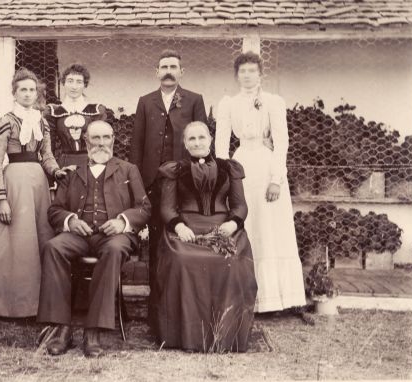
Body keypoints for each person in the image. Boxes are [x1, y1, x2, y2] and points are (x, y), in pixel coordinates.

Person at [37, 120, 151, 357]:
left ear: (113, 140)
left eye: (106, 138)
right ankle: (62, 329)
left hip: (114, 237)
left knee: (113, 250)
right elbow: (54, 210)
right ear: (86, 141)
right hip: (80, 235)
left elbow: (144, 208)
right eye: (96, 138)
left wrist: (122, 221)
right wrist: (71, 220)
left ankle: (93, 330)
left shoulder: (128, 169)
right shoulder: (72, 170)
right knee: (53, 247)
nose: (101, 143)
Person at [215, 52, 306, 313]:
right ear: (236, 75)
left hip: (266, 167)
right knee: (247, 221)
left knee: (269, 226)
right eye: (242, 71)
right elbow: (221, 143)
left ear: (260, 74)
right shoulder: (228, 104)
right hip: (241, 164)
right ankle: (244, 297)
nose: (247, 75)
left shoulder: (273, 102)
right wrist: (223, 174)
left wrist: (277, 179)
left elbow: (282, 141)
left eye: (252, 70)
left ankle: (275, 299)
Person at [154, 121, 257, 352]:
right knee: (181, 258)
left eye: (201, 137)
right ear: (185, 143)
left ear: (210, 140)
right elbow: (167, 208)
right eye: (191, 139)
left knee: (231, 260)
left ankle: (227, 334)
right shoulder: (175, 170)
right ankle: (185, 335)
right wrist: (179, 226)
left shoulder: (229, 168)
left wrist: (232, 223)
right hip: (187, 229)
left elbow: (240, 206)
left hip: (223, 228)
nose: (197, 142)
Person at [0, 68, 67, 317]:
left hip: (38, 184)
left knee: (39, 240)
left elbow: (46, 155)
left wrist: (56, 172)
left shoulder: (42, 122)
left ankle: (36, 306)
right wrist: (2, 198)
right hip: (14, 184)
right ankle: (5, 306)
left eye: (32, 89)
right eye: (23, 90)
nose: (28, 94)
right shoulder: (5, 121)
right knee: (14, 244)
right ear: (14, 93)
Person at [129, 49, 207, 304]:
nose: (168, 71)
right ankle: (156, 298)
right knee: (154, 239)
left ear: (181, 72)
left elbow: (202, 139)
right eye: (164, 67)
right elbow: (137, 144)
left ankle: (181, 297)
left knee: (181, 234)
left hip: (183, 180)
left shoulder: (194, 100)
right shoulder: (145, 101)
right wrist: (137, 182)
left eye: (173, 67)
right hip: (152, 182)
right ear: (157, 72)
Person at [45, 64, 107, 167]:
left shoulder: (96, 111)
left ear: (85, 85)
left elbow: (102, 145)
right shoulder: (53, 112)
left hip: (90, 164)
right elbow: (49, 148)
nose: (74, 87)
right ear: (63, 83)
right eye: (70, 81)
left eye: (79, 82)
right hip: (65, 165)